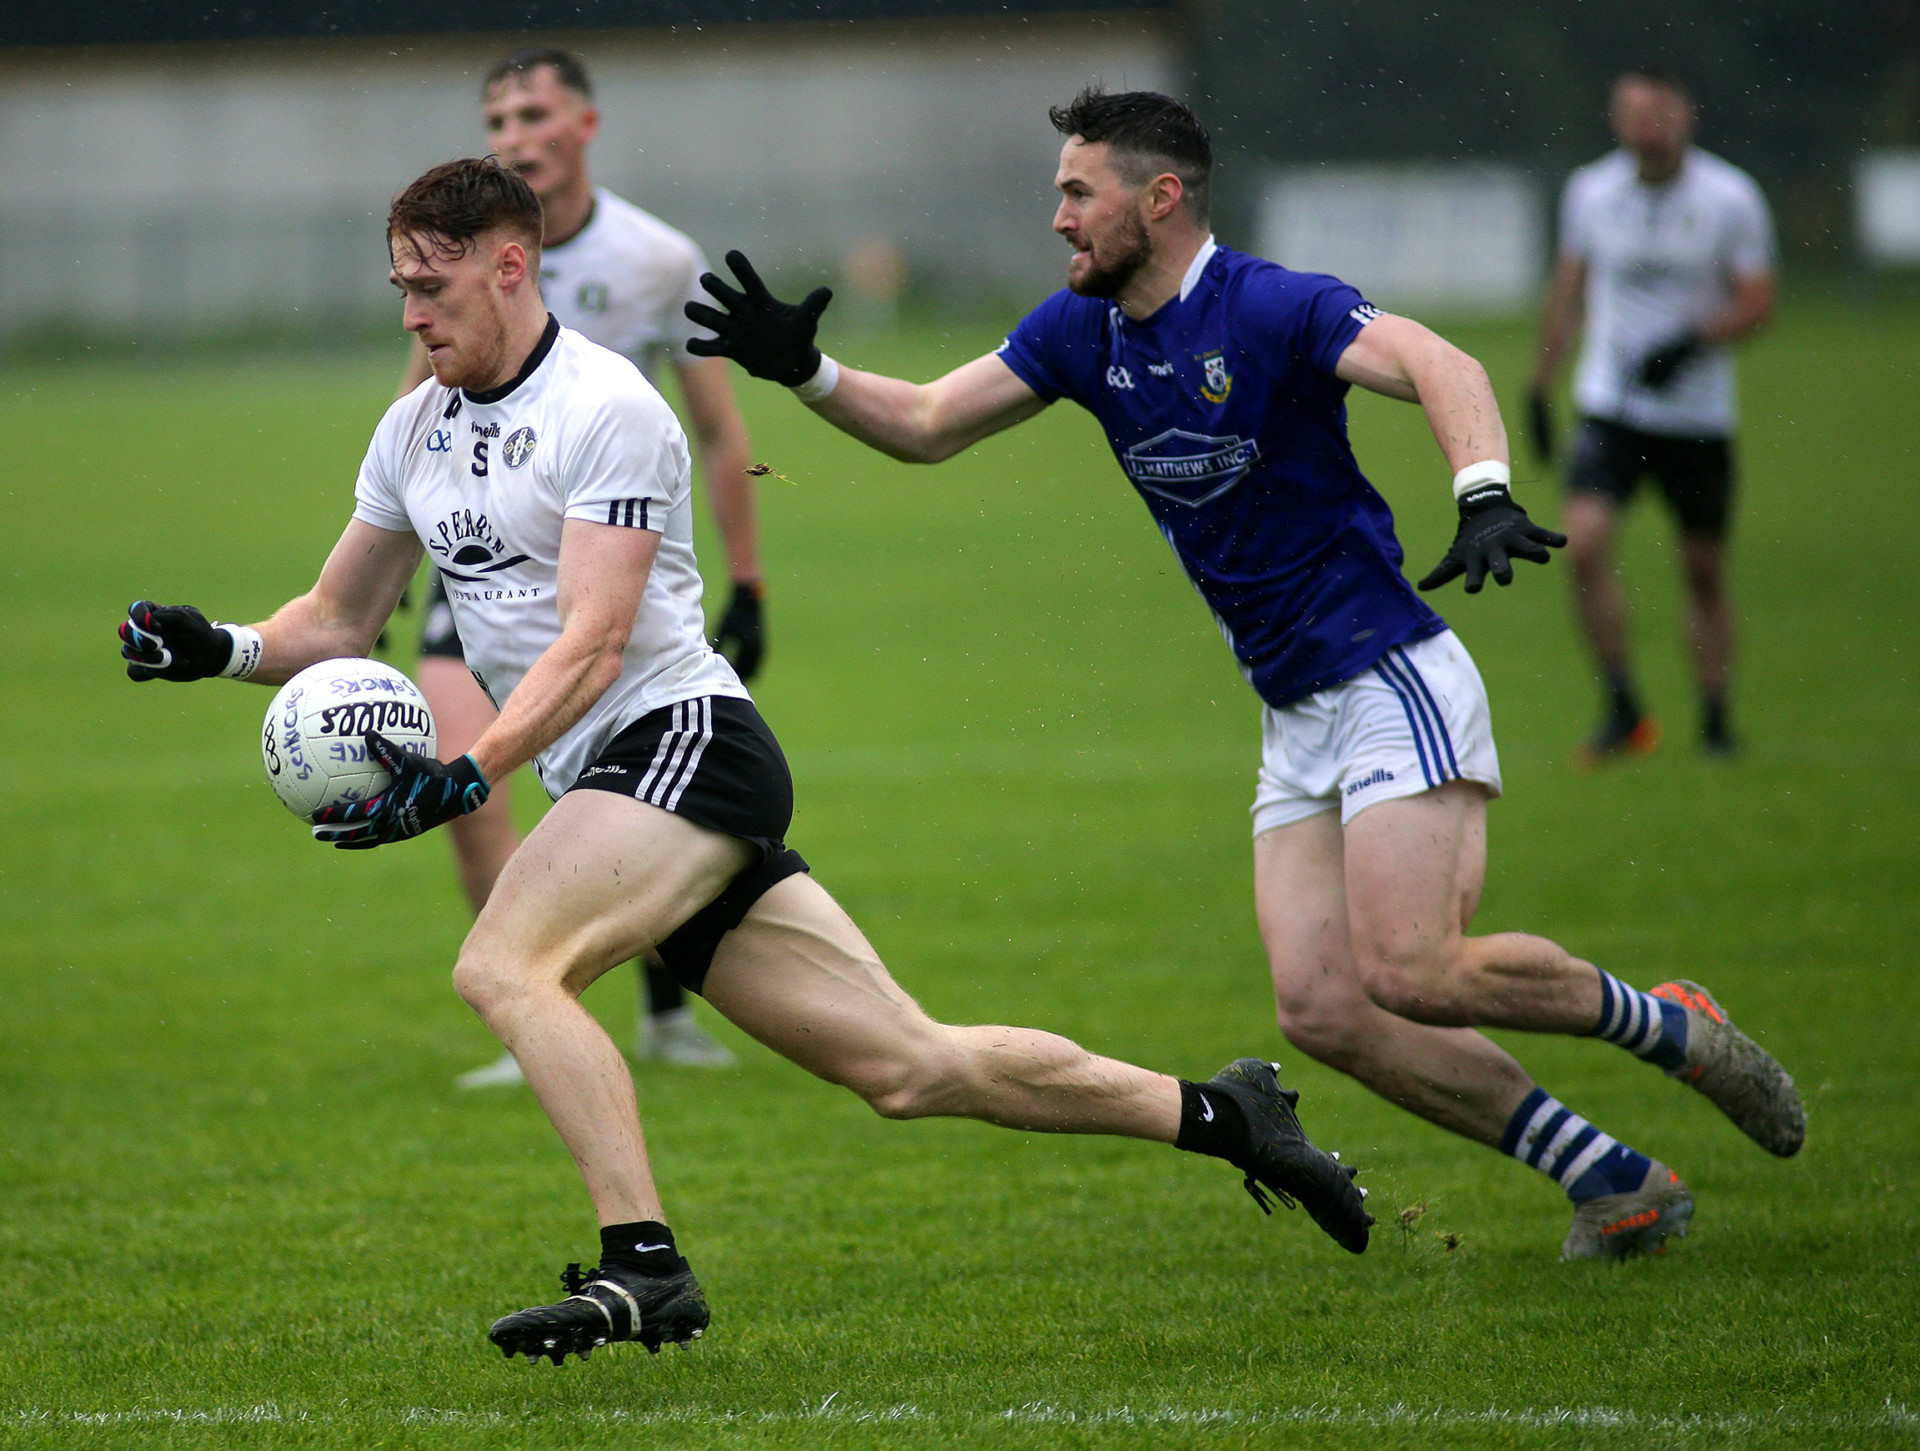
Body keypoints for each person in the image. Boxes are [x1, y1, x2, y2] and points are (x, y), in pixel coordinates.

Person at [118, 156, 1371, 1363]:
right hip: (623, 781)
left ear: (509, 266)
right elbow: (338, 618)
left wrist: (472, 769)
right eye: (400, 286)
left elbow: (596, 643)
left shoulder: (607, 407)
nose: (411, 312)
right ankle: (1229, 1114)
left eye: (430, 285)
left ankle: (644, 1262)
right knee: (908, 1066)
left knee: (506, 965)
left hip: (683, 743)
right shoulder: (413, 431)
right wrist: (218, 646)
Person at [686, 88, 1805, 1263]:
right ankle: (1611, 1179)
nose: (1059, 218)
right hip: (1293, 712)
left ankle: (1666, 1022)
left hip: (1387, 673)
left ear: (1160, 198)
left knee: (1414, 967)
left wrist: (1481, 488)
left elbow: (1439, 359)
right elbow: (925, 420)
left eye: (1079, 193)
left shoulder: (1269, 305)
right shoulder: (1082, 332)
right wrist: (807, 370)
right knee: (1322, 1007)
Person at [397, 48, 762, 1082]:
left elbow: (718, 430)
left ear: (584, 125)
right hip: (481, 550)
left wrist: (748, 579)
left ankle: (646, 1004)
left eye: (533, 114)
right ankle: (531, 1004)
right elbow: (415, 403)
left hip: (603, 550)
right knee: (467, 779)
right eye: (496, 119)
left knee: (612, 774)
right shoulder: (453, 258)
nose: (513, 134)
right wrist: (385, 564)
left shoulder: (655, 258)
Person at [1528, 67, 1777, 763]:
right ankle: (1623, 706)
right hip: (1611, 406)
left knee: (1702, 568)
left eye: (1659, 112)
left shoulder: (1730, 197)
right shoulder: (1591, 192)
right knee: (1582, 544)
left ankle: (1716, 718)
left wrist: (1692, 343)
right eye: (1634, 113)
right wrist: (1539, 385)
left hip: (1697, 416)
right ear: (1617, 121)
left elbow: (1760, 301)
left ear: (1685, 116)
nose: (1648, 126)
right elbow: (1569, 291)